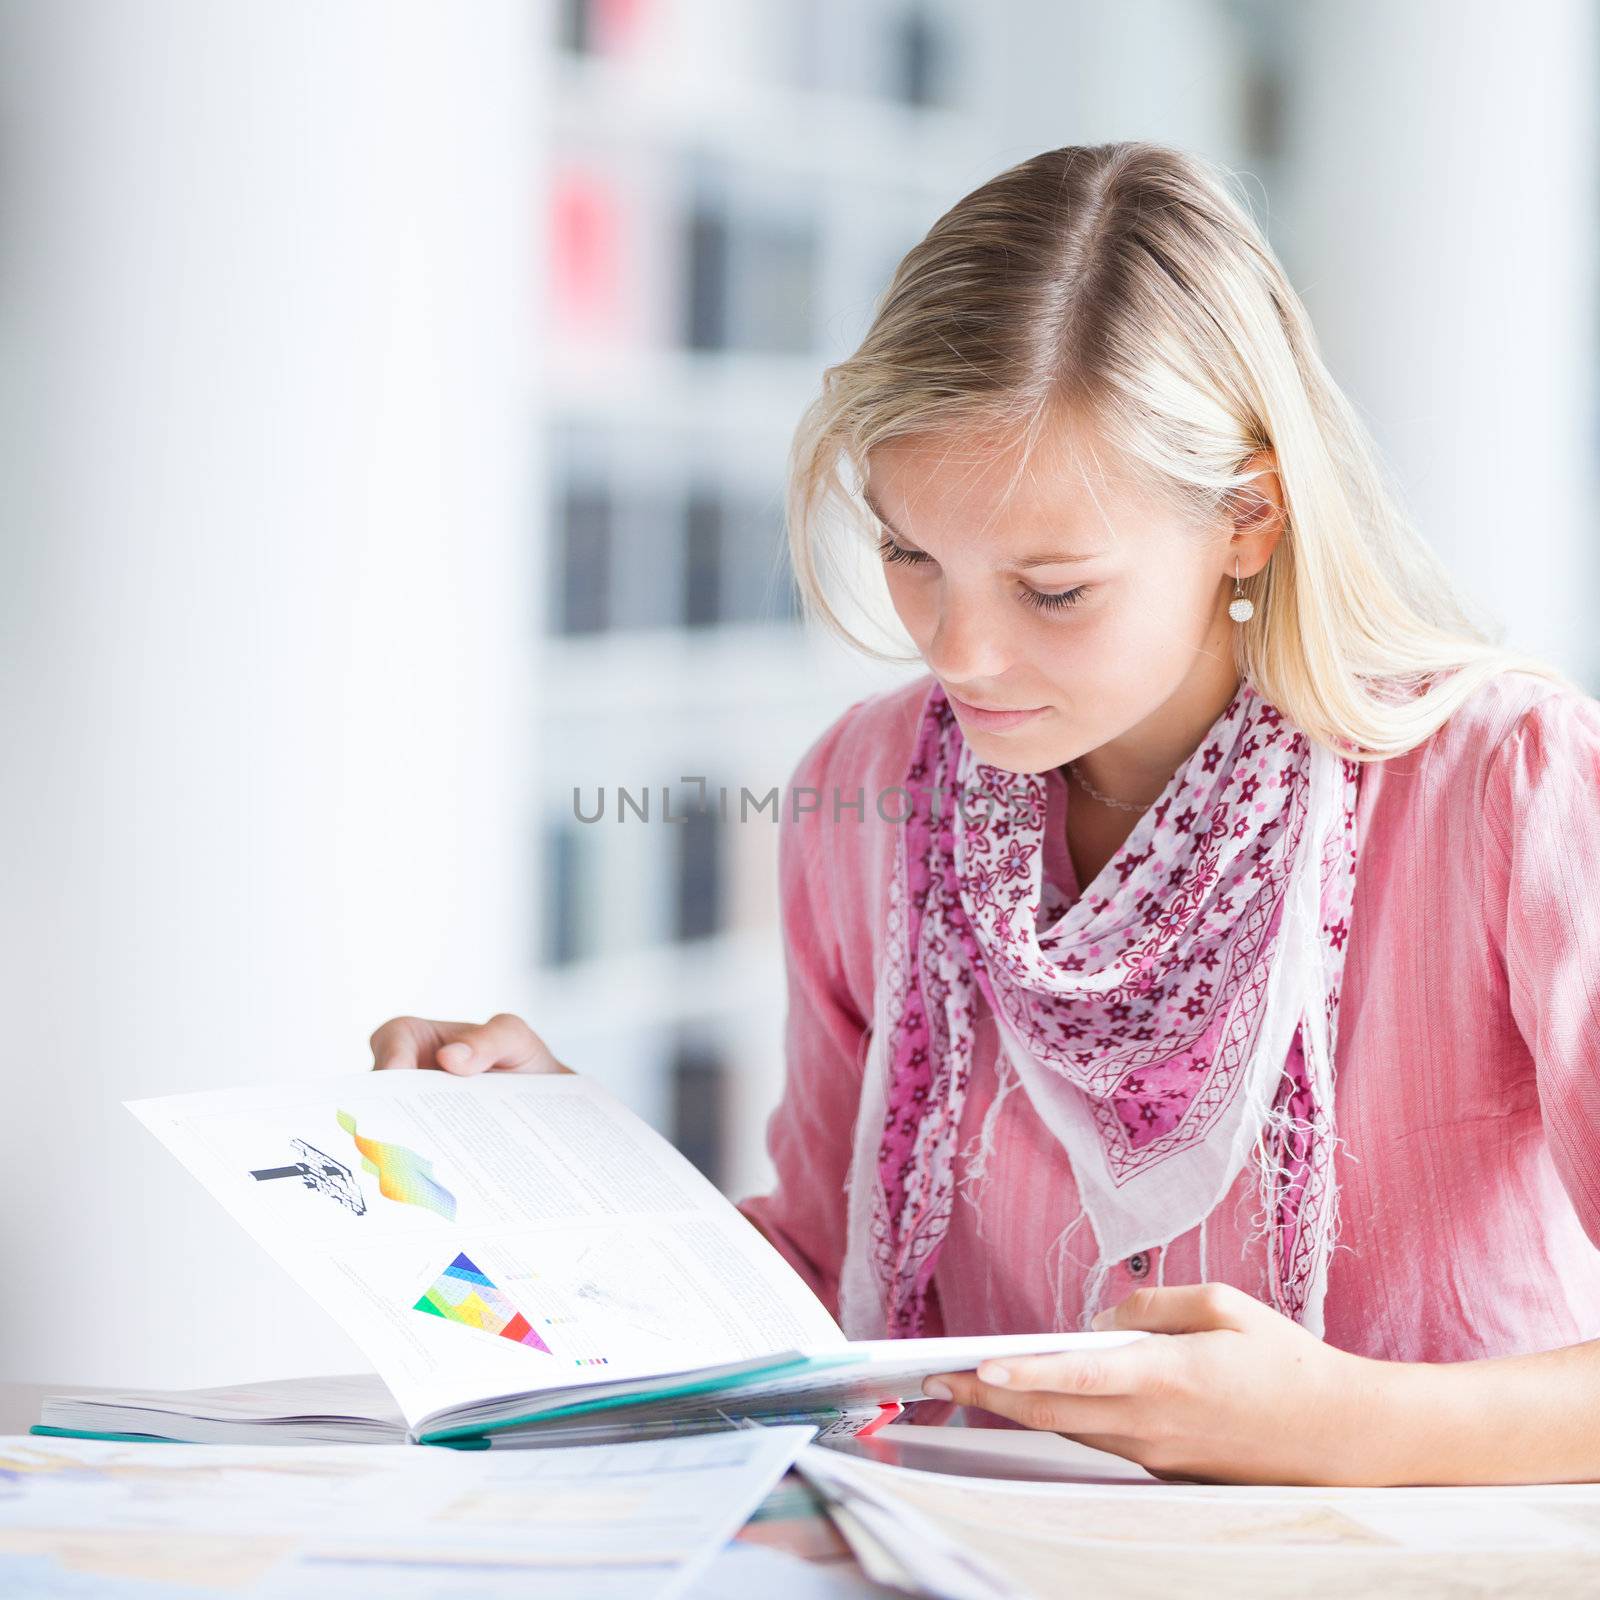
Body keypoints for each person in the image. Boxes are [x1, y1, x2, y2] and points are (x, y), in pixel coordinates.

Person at [371, 141, 1600, 1487]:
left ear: (1248, 519)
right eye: (911, 555)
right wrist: (565, 1174)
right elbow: (836, 1290)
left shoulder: (1509, 784)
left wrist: (1336, 1425)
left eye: (1053, 590)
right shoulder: (868, 794)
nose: (958, 654)